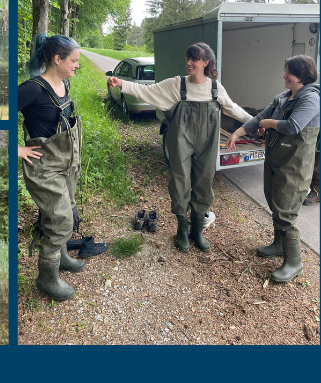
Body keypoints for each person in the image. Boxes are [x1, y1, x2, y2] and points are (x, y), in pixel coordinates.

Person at [108, 42, 253, 253]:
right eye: (187, 58)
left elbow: (234, 109)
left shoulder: (215, 88)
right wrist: (122, 83)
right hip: (180, 140)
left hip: (207, 142)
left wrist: (256, 124)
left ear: (206, 62)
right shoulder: (177, 85)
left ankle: (197, 231)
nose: (189, 63)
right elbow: (147, 92)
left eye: (194, 59)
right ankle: (182, 230)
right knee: (180, 181)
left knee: (204, 182)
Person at [225, 55, 319, 282]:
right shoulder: (283, 97)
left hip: (294, 166)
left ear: (302, 76)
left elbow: (294, 126)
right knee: (275, 203)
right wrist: (238, 133)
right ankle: (279, 245)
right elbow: (260, 116)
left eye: (289, 72)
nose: (284, 76)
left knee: (286, 212)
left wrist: (269, 125)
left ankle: (294, 263)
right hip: (276, 160)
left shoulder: (312, 99)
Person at [19, 33, 85, 301]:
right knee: (60, 220)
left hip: (66, 164)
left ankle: (61, 257)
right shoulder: (33, 88)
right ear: (57, 59)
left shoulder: (63, 83)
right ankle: (46, 278)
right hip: (44, 168)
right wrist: (16, 148)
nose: (77, 65)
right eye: (74, 60)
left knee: (66, 210)